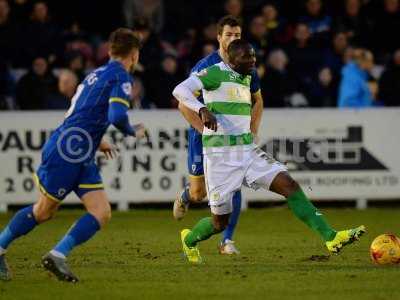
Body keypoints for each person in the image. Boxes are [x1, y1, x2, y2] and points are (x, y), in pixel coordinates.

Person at [173, 39, 366, 264]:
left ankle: (331, 237)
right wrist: (202, 108)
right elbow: (180, 90)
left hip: (247, 151)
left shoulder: (247, 77)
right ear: (232, 60)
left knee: (289, 185)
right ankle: (189, 240)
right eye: (247, 57)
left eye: (253, 56)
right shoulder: (214, 72)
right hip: (220, 157)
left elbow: (257, 103)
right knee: (219, 222)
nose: (253, 60)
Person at [0, 28, 147, 282]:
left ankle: (57, 255)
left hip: (79, 150)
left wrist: (97, 138)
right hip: (67, 152)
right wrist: (131, 130)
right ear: (133, 55)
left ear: (110, 51)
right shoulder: (121, 77)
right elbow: (117, 116)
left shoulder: (95, 74)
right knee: (43, 211)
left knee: (101, 211)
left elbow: (80, 112)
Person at [173, 16, 263, 255]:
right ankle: (186, 194)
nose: (234, 39)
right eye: (229, 35)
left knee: (235, 185)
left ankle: (227, 240)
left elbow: (258, 100)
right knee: (198, 194)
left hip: (234, 140)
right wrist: (203, 130)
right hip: (205, 136)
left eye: (237, 35)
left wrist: (253, 129)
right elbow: (183, 103)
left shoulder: (247, 64)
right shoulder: (206, 66)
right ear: (219, 37)